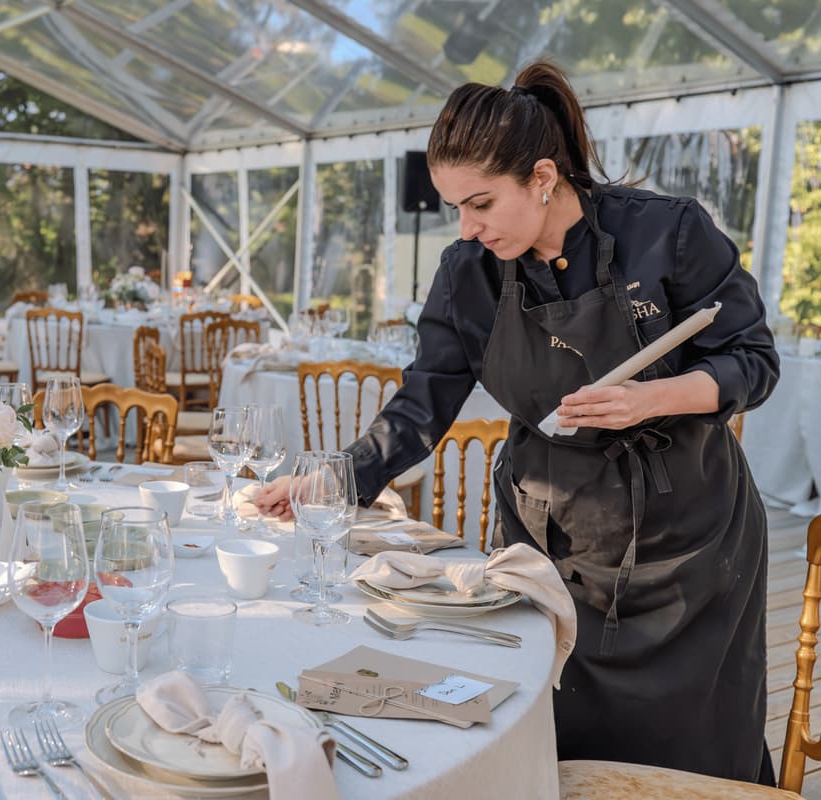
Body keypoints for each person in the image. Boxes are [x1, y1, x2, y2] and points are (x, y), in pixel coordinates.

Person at [257, 61, 779, 785]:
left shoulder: (668, 234)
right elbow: (421, 404)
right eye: (454, 209)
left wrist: (648, 399)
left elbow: (752, 359)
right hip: (546, 544)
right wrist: (334, 478)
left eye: (480, 203)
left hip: (687, 547)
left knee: (692, 752)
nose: (467, 229)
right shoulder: (467, 273)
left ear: (541, 176)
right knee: (547, 740)